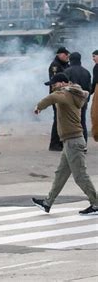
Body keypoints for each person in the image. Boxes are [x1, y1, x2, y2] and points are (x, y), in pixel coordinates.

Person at [32, 73, 97, 215]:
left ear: (62, 83)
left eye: (54, 85)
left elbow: (52, 98)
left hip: (74, 141)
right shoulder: (72, 93)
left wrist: (38, 107)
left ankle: (96, 203)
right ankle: (47, 203)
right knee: (61, 174)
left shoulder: (65, 94)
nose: (52, 88)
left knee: (80, 175)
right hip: (70, 141)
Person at [64, 52, 92, 144]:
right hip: (83, 101)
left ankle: (73, 144)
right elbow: (89, 88)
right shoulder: (86, 72)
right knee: (82, 122)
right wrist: (86, 100)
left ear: (71, 60)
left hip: (70, 101)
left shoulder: (67, 71)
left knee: (71, 123)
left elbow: (65, 87)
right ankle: (84, 144)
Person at [47, 47, 70, 151]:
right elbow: (56, 82)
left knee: (61, 119)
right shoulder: (55, 66)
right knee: (58, 119)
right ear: (59, 54)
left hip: (63, 95)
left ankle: (60, 142)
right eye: (65, 55)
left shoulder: (64, 65)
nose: (67, 57)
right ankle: (55, 143)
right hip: (57, 95)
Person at [91, 50, 98, 142]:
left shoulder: (96, 67)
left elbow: (95, 81)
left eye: (94, 56)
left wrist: (90, 92)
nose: (93, 59)